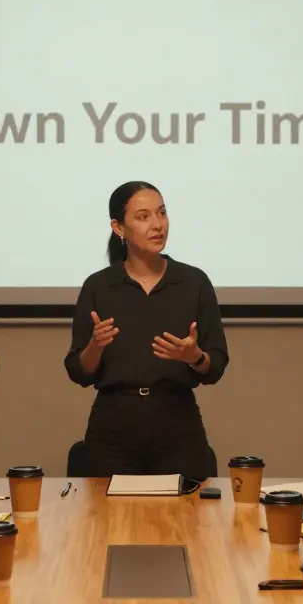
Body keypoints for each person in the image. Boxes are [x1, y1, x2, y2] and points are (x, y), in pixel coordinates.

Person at [64, 181, 228, 479]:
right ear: (119, 227)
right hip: (113, 427)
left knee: (184, 521)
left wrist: (194, 356)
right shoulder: (99, 287)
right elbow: (78, 371)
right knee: (109, 521)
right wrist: (95, 347)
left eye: (162, 213)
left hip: (177, 423)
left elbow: (215, 366)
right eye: (143, 217)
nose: (157, 225)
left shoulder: (193, 283)